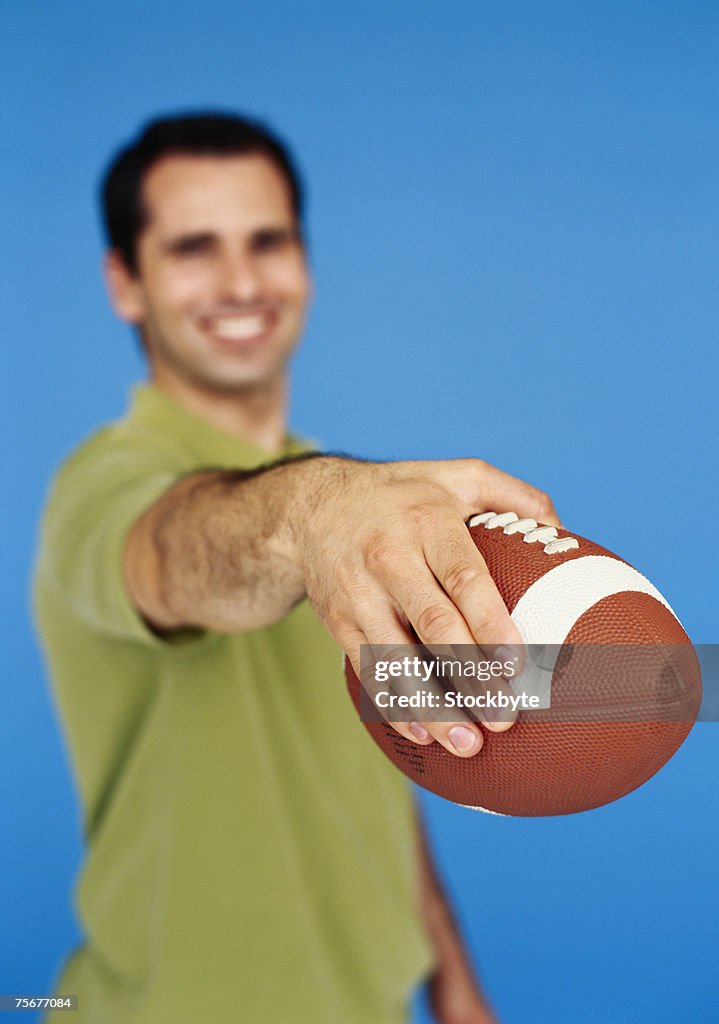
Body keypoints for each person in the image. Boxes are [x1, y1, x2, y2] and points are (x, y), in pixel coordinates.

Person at [34, 112, 559, 1024]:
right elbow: (175, 555)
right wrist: (309, 516)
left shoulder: (360, 507)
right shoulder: (106, 487)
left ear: (305, 262)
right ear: (126, 281)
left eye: (267, 240)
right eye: (194, 247)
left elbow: (380, 754)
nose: (241, 281)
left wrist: (452, 976)